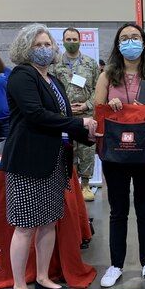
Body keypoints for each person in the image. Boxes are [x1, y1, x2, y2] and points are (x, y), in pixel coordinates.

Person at [0, 23, 96, 289]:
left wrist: (89, 134)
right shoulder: (21, 75)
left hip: (53, 159)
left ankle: (42, 277)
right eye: (37, 45)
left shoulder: (51, 78)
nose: (44, 49)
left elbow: (61, 120)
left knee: (49, 221)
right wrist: (80, 123)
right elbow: (36, 114)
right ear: (25, 49)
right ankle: (19, 286)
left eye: (47, 44)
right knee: (25, 226)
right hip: (28, 160)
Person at [94, 23, 145, 288]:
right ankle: (115, 265)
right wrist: (112, 107)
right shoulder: (107, 77)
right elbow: (98, 111)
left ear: (144, 42)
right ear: (117, 45)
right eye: (124, 38)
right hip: (116, 152)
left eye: (134, 38)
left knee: (144, 208)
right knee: (118, 210)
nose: (130, 42)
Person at [49, 28, 99, 201]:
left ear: (80, 40)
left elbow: (97, 89)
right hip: (64, 116)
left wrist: (87, 104)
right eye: (68, 39)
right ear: (63, 41)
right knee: (68, 149)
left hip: (87, 114)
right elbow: (51, 89)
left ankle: (85, 184)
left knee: (86, 150)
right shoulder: (54, 65)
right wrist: (65, 107)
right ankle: (70, 184)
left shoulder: (91, 63)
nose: (71, 42)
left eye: (74, 39)